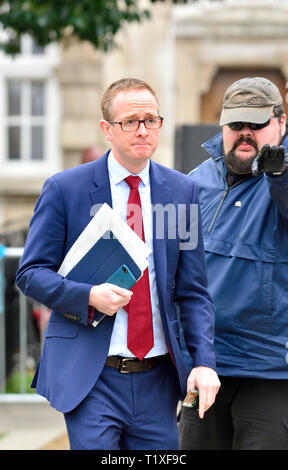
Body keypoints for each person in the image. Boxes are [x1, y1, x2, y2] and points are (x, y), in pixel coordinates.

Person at [16, 78, 220, 450]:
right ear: (107, 129)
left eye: (151, 120)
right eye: (130, 121)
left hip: (158, 379)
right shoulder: (65, 189)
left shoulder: (182, 192)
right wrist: (88, 295)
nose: (142, 130)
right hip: (93, 376)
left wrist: (204, 362)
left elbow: (193, 292)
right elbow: (30, 275)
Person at [179, 76, 288, 450]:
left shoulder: (283, 175)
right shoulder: (196, 181)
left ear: (281, 122)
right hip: (206, 365)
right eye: (235, 124)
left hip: (271, 371)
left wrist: (281, 177)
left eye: (256, 125)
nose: (245, 133)